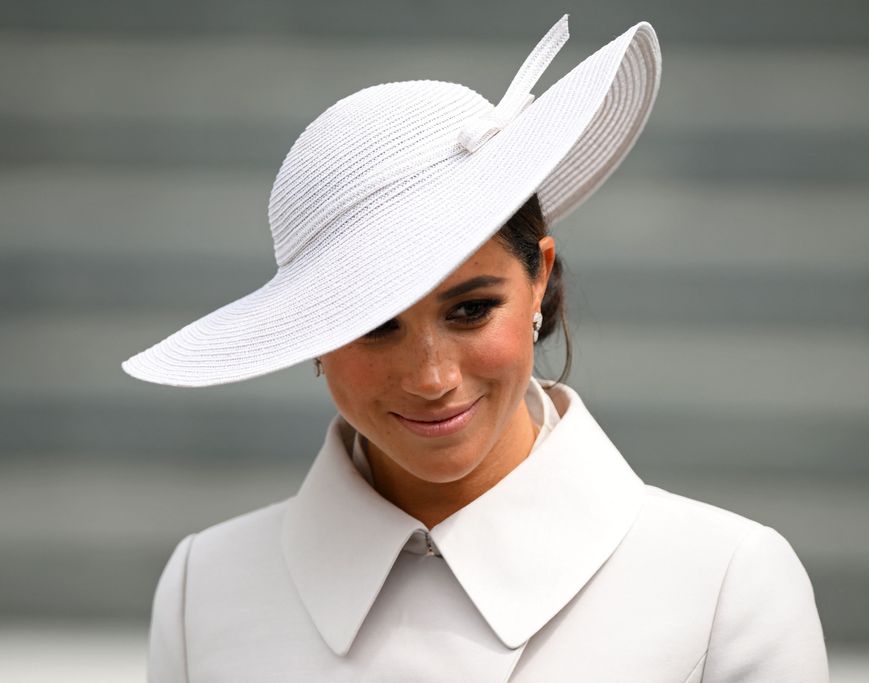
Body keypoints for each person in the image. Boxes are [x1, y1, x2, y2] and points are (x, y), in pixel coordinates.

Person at [124, 14, 830, 682]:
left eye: (470, 309)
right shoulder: (203, 593)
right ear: (311, 341)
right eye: (374, 324)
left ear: (539, 278)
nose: (431, 376)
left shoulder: (726, 587)